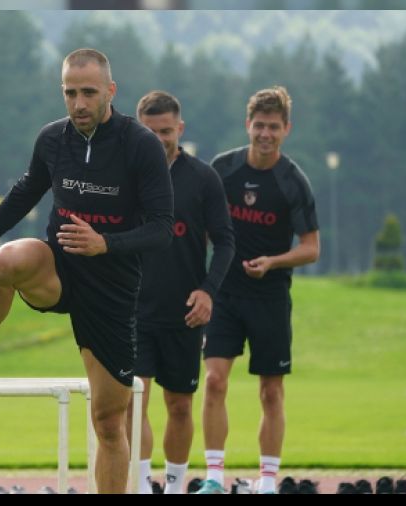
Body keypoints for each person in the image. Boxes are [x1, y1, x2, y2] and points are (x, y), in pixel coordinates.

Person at [0, 48, 174, 493]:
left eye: (89, 92)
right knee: (8, 261)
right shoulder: (53, 139)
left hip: (112, 289)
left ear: (110, 91)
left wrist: (105, 243)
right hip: (58, 271)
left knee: (109, 423)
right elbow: (24, 193)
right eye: (70, 93)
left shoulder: (141, 145)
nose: (78, 103)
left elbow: (162, 229)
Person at [195, 86, 320, 495]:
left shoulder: (292, 181)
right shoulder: (223, 168)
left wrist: (273, 262)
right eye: (259, 125)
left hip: (269, 297)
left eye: (274, 127)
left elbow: (311, 248)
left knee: (271, 390)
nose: (265, 133)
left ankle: (267, 481)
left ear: (287, 129)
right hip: (225, 294)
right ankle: (214, 477)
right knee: (214, 382)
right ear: (248, 125)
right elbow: (201, 226)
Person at [130, 91, 234, 494]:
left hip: (185, 313)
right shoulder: (126, 177)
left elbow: (225, 242)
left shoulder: (203, 178)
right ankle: (140, 487)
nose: (159, 140)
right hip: (135, 308)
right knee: (135, 401)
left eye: (167, 132)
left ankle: (174, 488)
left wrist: (208, 292)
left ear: (181, 129)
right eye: (150, 132)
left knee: (179, 404)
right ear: (139, 129)